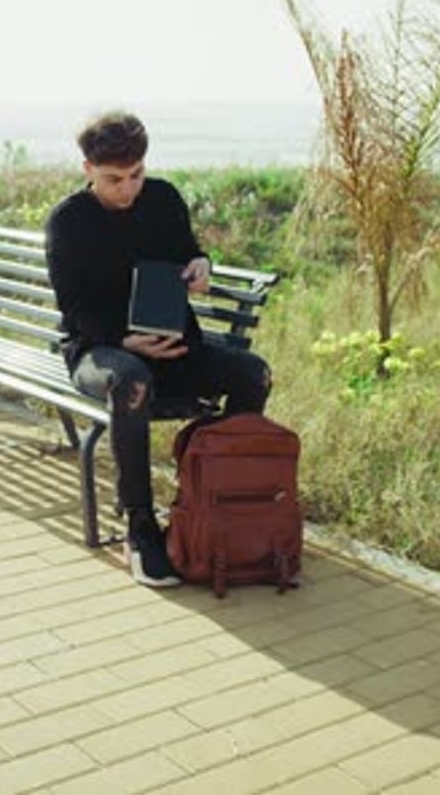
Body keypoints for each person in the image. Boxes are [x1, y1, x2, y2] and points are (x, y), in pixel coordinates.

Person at [45, 111, 271, 587]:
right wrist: (123, 340)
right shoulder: (67, 222)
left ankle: (211, 500)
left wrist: (200, 264)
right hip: (99, 351)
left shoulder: (163, 198)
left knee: (253, 374)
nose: (128, 189)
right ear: (88, 169)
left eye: (136, 175)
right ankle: (140, 527)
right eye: (114, 179)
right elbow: (74, 306)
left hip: (172, 348)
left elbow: (189, 250)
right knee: (131, 382)